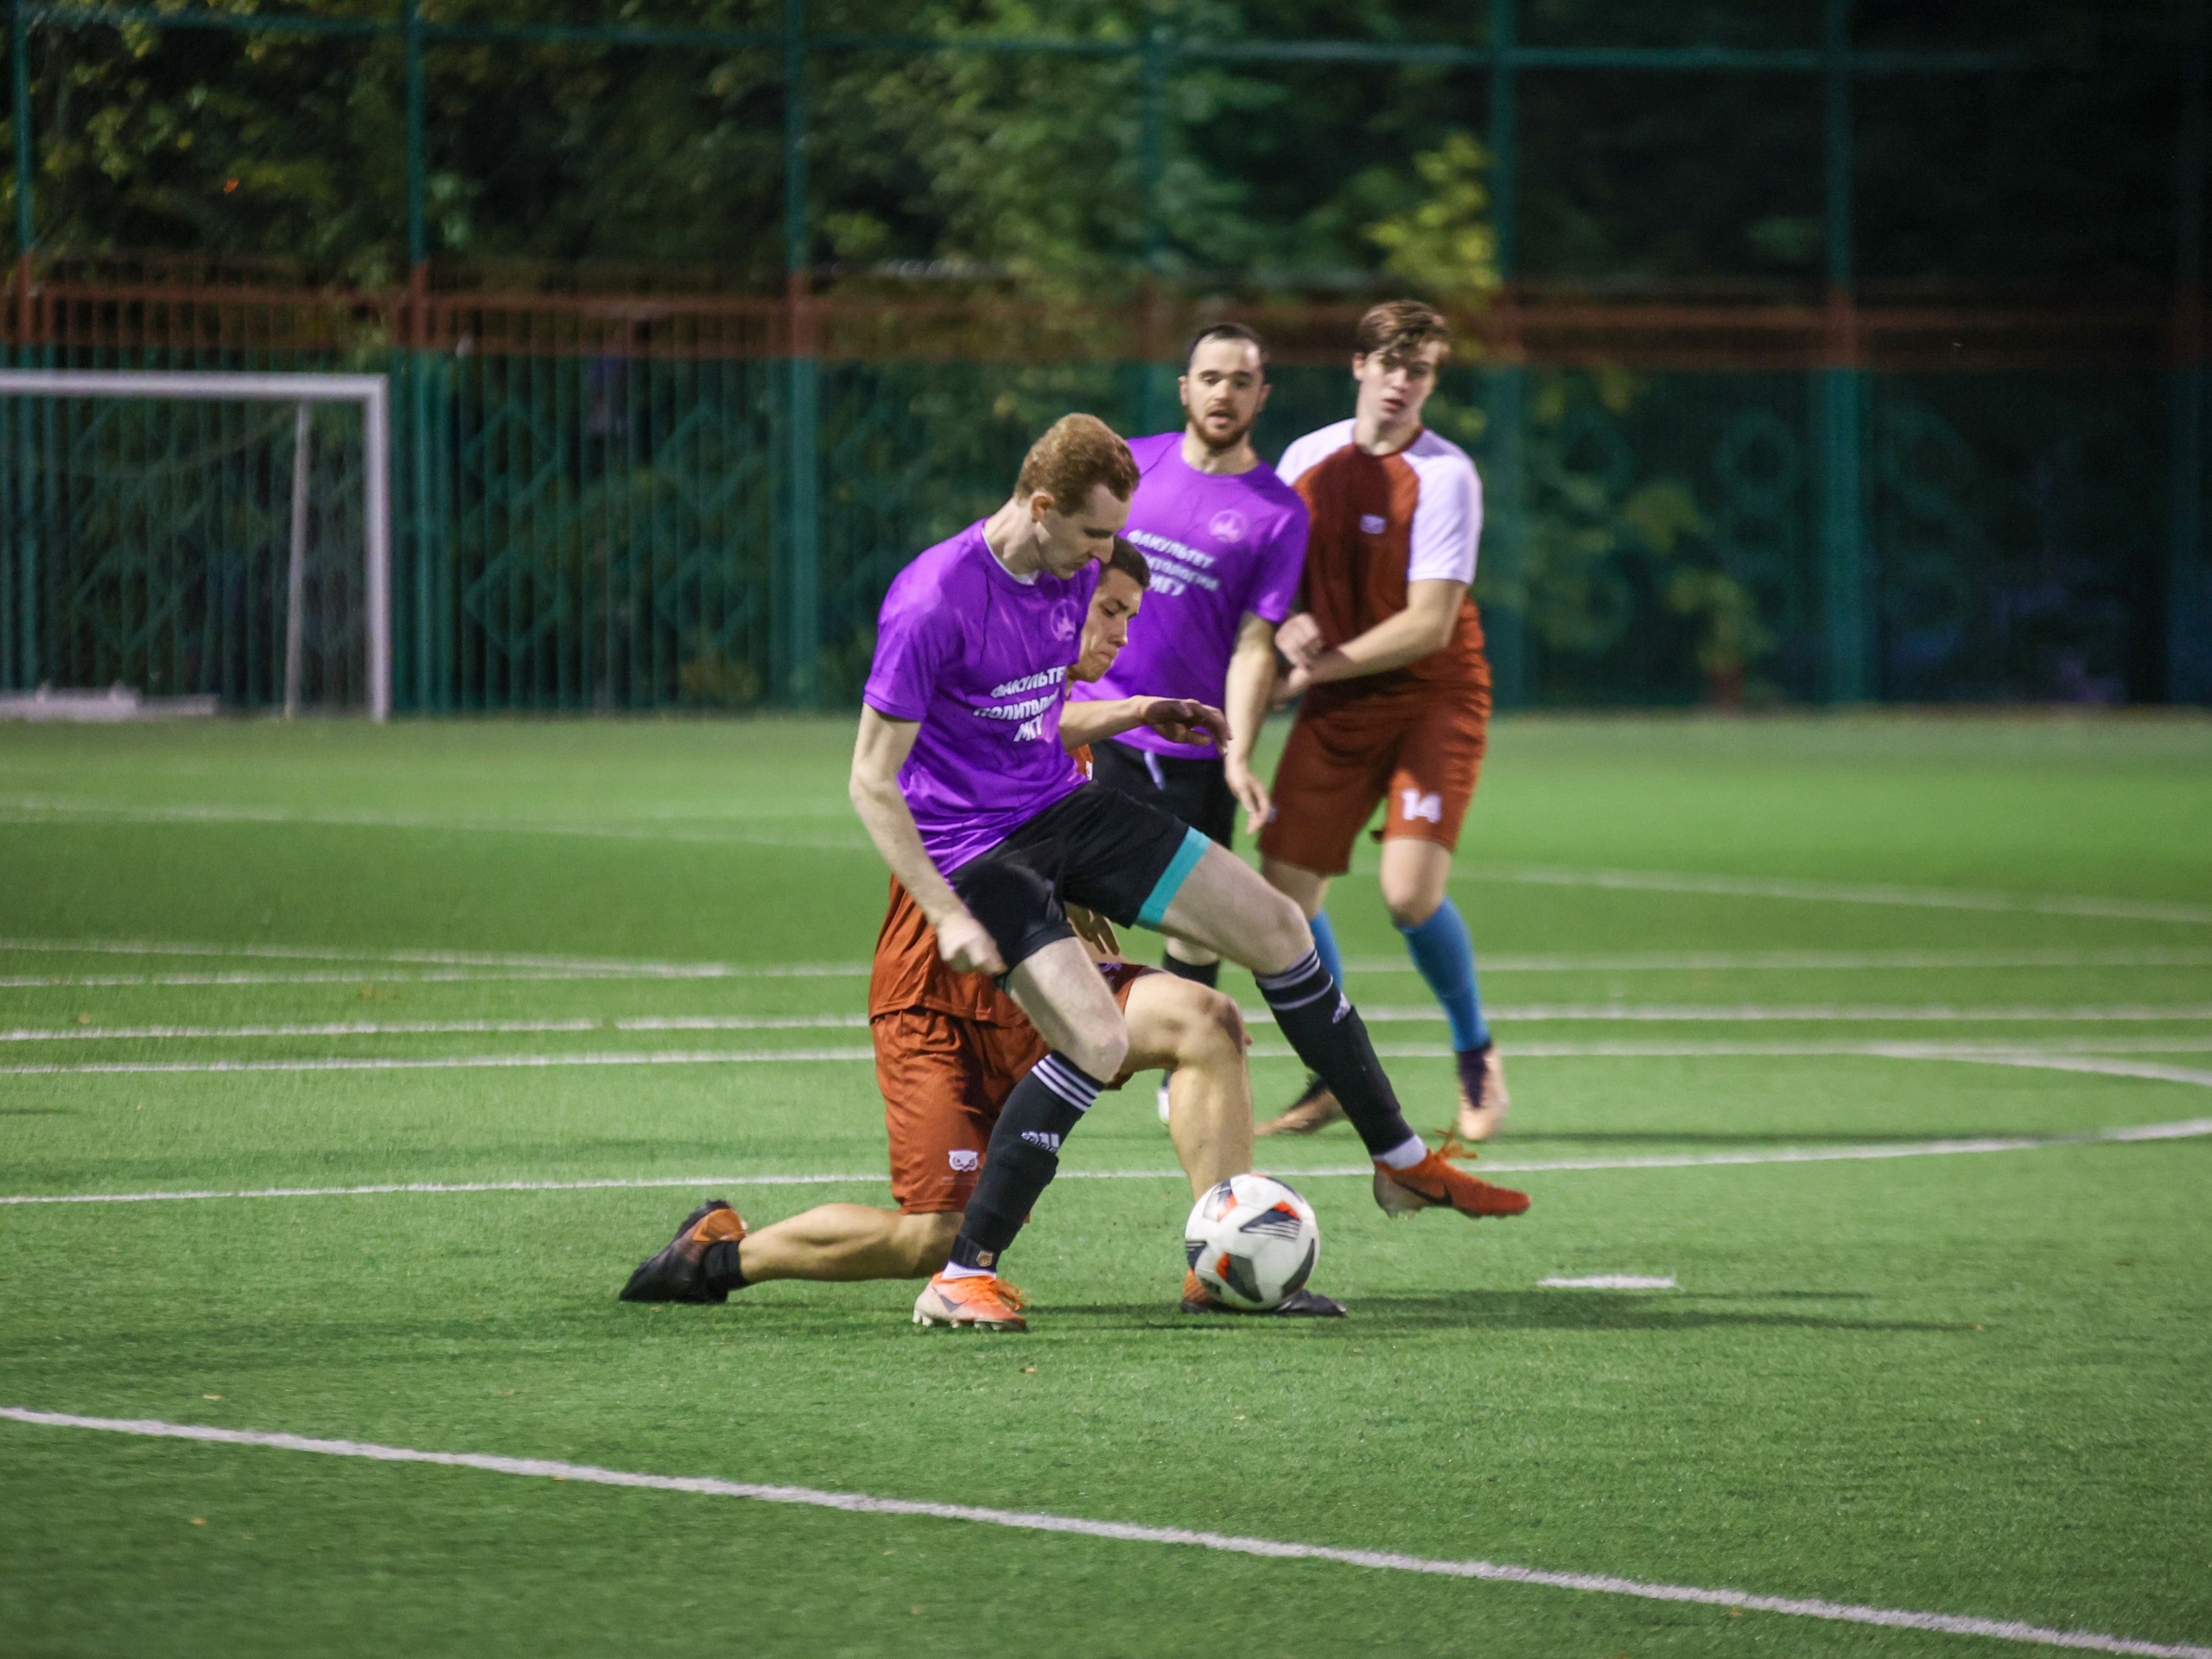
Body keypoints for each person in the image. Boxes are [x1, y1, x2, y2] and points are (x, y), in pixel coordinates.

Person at [846, 412, 1528, 1331]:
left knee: (1279, 930)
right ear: (1039, 506)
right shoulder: (933, 598)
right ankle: (961, 1275)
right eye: (1092, 532)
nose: (1104, 555)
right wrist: (946, 912)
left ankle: (1396, 1156)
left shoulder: (1069, 570)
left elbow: (1027, 722)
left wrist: (1136, 709)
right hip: (977, 850)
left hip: (1058, 809)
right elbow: (871, 782)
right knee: (1095, 1042)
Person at [619, 543, 1344, 1323]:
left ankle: (1220, 1269)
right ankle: (719, 1255)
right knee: (935, 1239)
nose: (1122, 637)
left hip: (1043, 987)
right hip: (940, 997)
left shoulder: (1071, 728)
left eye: (1131, 617)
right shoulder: (988, 714)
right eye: (1108, 611)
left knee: (1208, 1021)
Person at [1253, 301, 1508, 1147]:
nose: (1403, 383)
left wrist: (1310, 668)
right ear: (1358, 365)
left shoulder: (1446, 476)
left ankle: (1474, 1050)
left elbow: (1427, 626)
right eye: (1390, 364)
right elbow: (1271, 577)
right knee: (1283, 899)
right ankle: (1337, 1065)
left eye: (1421, 370)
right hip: (1343, 693)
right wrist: (1286, 619)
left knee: (1407, 894)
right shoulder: (1306, 458)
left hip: (1432, 694)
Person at [1071, 326, 1307, 1002]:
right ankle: (1052, 1056)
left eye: (1240, 381)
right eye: (1210, 378)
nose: (1223, 393)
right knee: (1056, 897)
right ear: (1185, 388)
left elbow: (1255, 644)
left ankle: (1181, 1074)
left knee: (1199, 930)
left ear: (1262, 395)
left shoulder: (1278, 513)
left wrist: (1237, 754)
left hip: (1188, 742)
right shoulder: (1131, 466)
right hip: (1098, 726)